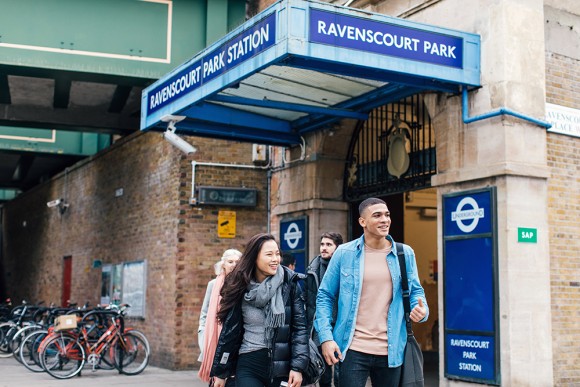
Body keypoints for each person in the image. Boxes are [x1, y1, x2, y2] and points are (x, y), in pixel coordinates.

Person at [315, 198, 428, 387]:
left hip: (391, 350)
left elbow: (416, 291)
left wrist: (422, 311)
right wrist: (326, 338)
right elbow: (325, 296)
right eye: (377, 215)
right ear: (362, 222)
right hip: (352, 348)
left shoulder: (404, 253)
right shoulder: (344, 253)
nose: (385, 219)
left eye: (387, 215)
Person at [210, 233, 309, 387]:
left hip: (281, 365)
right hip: (248, 363)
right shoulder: (240, 286)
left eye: (277, 254)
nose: (275, 259)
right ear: (254, 257)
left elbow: (300, 329)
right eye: (269, 255)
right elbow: (229, 332)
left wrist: (297, 367)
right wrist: (221, 372)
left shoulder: (289, 284)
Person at [305, 232, 343, 387]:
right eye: (322, 244)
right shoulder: (312, 268)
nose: (324, 248)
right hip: (320, 326)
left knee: (342, 371)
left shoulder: (344, 267)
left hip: (340, 325)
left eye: (329, 245)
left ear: (338, 248)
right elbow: (308, 300)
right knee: (323, 372)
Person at [197, 248, 242, 383]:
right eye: (230, 262)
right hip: (214, 338)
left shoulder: (244, 285)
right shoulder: (213, 285)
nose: (234, 264)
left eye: (237, 262)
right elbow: (204, 312)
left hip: (235, 341)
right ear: (223, 264)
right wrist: (203, 335)